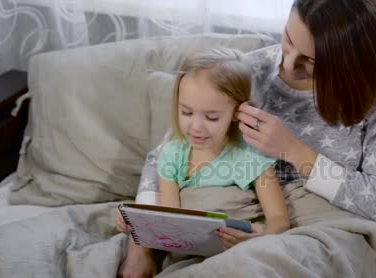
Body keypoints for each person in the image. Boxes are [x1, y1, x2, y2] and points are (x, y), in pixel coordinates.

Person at [118, 0, 376, 278]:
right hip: (247, 227)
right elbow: (165, 155)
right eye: (287, 39)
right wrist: (141, 247)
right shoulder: (249, 73)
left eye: (310, 60)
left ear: (348, 66)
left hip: (325, 233)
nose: (287, 63)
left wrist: (294, 151)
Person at [116, 48, 290, 269]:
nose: (196, 127)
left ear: (238, 113)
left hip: (240, 254)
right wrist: (135, 223)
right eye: (186, 112)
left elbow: (279, 220)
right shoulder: (172, 154)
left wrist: (258, 238)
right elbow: (171, 222)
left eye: (211, 117)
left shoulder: (250, 155)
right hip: (189, 256)